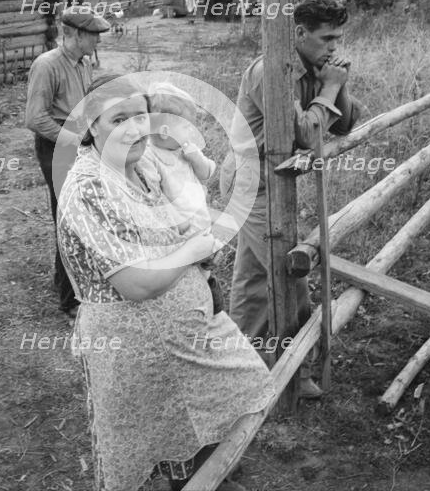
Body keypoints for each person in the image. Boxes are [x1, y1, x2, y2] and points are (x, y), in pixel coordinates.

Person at [57, 74, 275, 491]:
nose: (135, 128)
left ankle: (205, 476)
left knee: (194, 412)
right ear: (91, 126)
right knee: (155, 429)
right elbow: (136, 284)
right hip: (133, 342)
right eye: (119, 119)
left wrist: (188, 237)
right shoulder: (89, 188)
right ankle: (200, 479)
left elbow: (158, 233)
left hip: (177, 329)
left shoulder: (136, 167)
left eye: (141, 116)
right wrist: (193, 251)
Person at [221, 0, 361, 398]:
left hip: (273, 182)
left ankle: (239, 370)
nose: (334, 47)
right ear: (299, 33)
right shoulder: (271, 69)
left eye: (338, 38)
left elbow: (344, 124)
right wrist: (330, 86)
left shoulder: (314, 66)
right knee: (289, 276)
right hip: (250, 185)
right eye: (326, 38)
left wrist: (337, 83)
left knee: (252, 281)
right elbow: (302, 132)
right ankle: (294, 377)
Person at [25, 5, 110, 317]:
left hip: (76, 145)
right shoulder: (47, 65)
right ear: (74, 35)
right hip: (55, 148)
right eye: (94, 35)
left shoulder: (83, 62)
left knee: (83, 214)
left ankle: (73, 281)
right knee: (68, 218)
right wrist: (74, 140)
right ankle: (69, 300)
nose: (98, 41)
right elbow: (35, 118)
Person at [148, 81, 224, 314]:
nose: (192, 132)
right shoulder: (150, 157)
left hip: (201, 227)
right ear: (165, 132)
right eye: (186, 127)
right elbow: (157, 203)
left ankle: (212, 313)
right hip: (181, 236)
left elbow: (208, 173)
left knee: (208, 279)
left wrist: (196, 159)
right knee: (192, 285)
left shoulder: (186, 149)